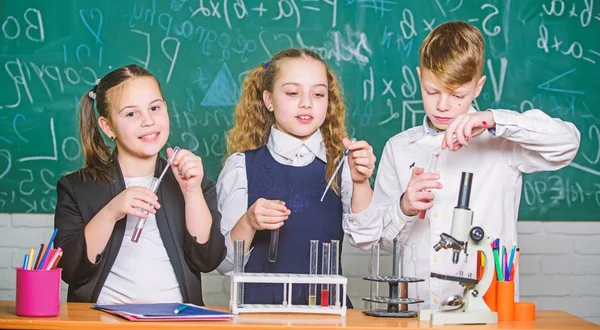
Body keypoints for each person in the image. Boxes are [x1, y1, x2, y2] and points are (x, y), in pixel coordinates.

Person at [371, 21, 580, 308]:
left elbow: (567, 144)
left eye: (457, 95)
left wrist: (494, 120)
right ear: (419, 78)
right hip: (419, 312)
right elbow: (381, 243)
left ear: (478, 86)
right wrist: (404, 207)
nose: (443, 105)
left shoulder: (503, 142)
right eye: (432, 92)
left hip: (487, 312)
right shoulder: (399, 148)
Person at [216, 48, 379, 306]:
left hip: (327, 313)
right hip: (259, 314)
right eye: (293, 93)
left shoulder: (341, 165)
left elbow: (368, 239)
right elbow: (224, 265)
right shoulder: (241, 168)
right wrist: (248, 222)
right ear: (268, 99)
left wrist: (360, 182)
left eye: (318, 94)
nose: (307, 103)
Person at [54, 64, 226, 305]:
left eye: (155, 108)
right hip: (100, 321)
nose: (148, 121)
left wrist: (192, 192)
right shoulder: (76, 187)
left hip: (175, 321)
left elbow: (208, 260)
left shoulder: (192, 181)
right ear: (107, 127)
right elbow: (70, 269)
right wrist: (111, 212)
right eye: (131, 114)